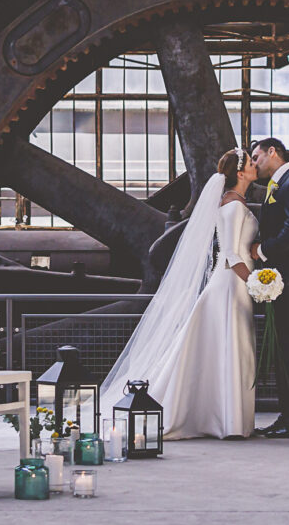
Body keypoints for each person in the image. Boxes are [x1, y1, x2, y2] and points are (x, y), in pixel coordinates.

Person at [99, 150, 259, 439]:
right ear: (240, 173)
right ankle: (227, 421)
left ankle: (228, 419)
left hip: (233, 281)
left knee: (227, 348)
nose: (254, 167)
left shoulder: (234, 203)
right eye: (250, 164)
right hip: (232, 283)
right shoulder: (234, 206)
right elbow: (232, 253)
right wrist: (255, 281)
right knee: (228, 346)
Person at [247, 137, 289, 437]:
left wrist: (262, 251)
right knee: (283, 353)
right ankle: (287, 416)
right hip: (279, 282)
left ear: (272, 152)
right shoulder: (280, 185)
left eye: (257, 156)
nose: (255, 162)